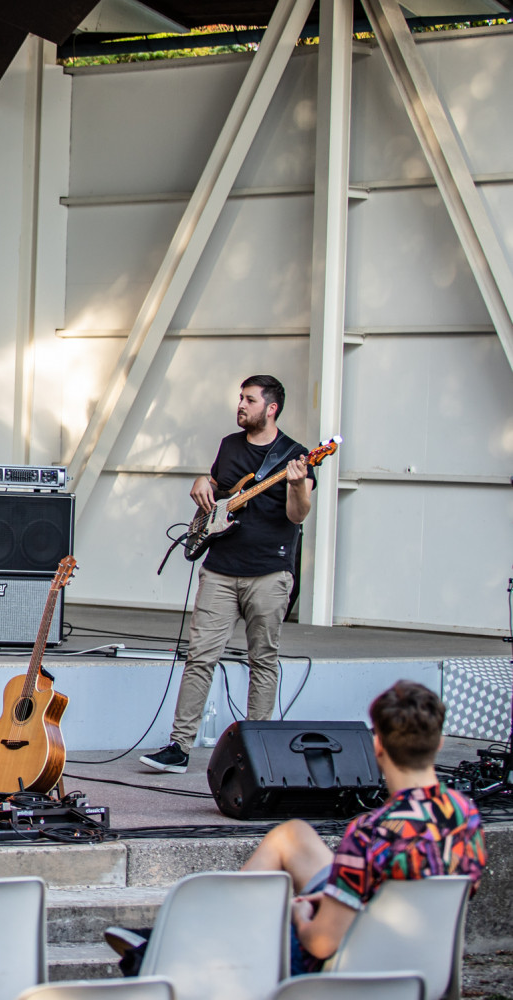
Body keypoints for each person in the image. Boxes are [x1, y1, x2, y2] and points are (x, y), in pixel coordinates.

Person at [107, 681, 486, 977]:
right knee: (293, 834)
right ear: (437, 744)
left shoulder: (371, 833)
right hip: (418, 958)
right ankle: (162, 944)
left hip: (352, 965)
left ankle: (163, 949)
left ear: (378, 747)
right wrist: (339, 900)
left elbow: (320, 945)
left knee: (260, 922)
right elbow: (439, 889)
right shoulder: (465, 816)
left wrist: (296, 913)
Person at [140, 375, 315, 774]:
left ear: (271, 408)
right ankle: (179, 746)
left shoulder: (296, 455)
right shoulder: (229, 445)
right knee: (199, 657)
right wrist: (204, 481)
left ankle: (257, 748)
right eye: (240, 397)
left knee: (263, 660)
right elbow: (219, 487)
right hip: (219, 568)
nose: (241, 405)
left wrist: (298, 485)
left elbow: (298, 515)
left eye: (249, 400)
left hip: (269, 571)